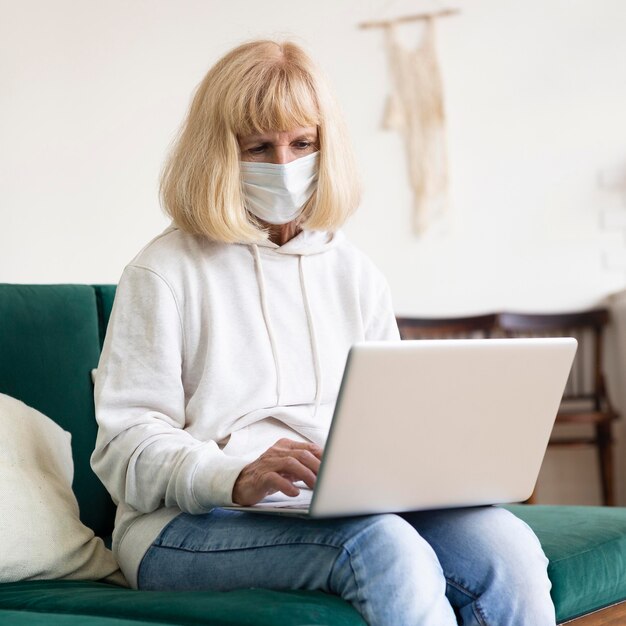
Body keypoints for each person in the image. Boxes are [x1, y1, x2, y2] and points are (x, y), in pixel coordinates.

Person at [91, 39, 556, 625]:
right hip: (185, 528)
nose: (284, 165)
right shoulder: (163, 272)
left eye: (302, 143)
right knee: (384, 547)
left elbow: (395, 421)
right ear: (219, 155)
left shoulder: (354, 272)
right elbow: (122, 448)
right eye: (258, 147)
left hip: (333, 505)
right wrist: (231, 476)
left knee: (505, 547)